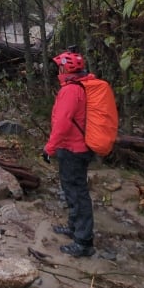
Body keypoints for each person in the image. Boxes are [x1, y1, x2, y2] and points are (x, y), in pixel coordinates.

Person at [42, 48, 96, 258]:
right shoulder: (79, 87)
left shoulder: (70, 91)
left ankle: (83, 242)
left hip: (73, 148)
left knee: (77, 193)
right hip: (76, 147)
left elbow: (63, 124)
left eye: (59, 68)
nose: (57, 72)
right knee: (73, 190)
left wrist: (49, 148)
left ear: (65, 70)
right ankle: (74, 228)